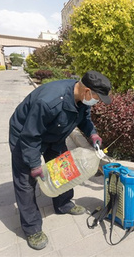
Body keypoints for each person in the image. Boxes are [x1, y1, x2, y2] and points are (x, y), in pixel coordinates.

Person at [9, 70, 111, 250]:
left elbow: (84, 119)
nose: (98, 101)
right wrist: (34, 164)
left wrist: (92, 133)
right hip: (25, 136)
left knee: (65, 169)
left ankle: (63, 204)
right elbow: (30, 136)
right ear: (87, 91)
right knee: (26, 182)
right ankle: (32, 228)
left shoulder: (81, 99)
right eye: (97, 97)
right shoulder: (48, 101)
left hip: (54, 135)